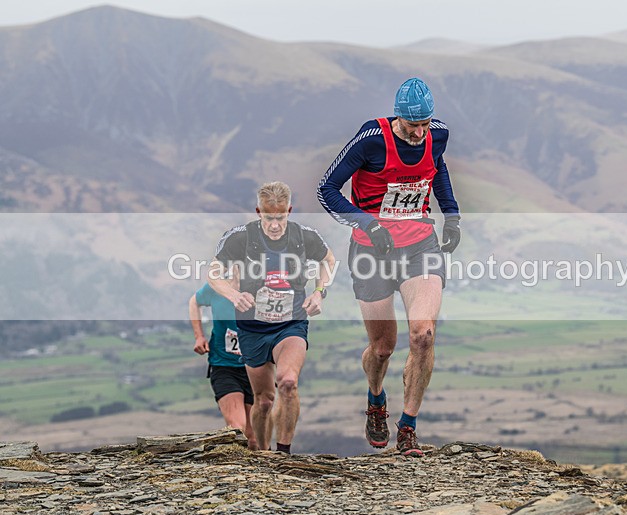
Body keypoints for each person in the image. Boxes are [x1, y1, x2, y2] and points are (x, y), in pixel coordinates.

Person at [317, 77, 461, 456]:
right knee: (383, 348)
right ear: (398, 117)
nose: (419, 132)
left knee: (423, 335)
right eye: (412, 125)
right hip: (371, 252)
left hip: (420, 246)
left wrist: (453, 215)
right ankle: (376, 399)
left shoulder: (437, 135)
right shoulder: (371, 140)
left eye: (425, 124)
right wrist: (368, 224)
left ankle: (408, 427)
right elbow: (326, 190)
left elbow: (437, 166)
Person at [209, 181, 335, 453]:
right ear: (258, 212)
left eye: (280, 217)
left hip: (291, 323)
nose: (275, 224)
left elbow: (329, 261)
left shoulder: (304, 236)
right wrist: (233, 295)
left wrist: (319, 292)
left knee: (288, 383)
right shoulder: (239, 237)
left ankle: (283, 454)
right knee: (263, 401)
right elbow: (213, 274)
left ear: (289, 211)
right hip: (252, 328)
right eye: (269, 218)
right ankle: (262, 453)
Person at [189, 283, 257, 449]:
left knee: (254, 438)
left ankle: (259, 474)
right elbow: (194, 301)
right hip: (224, 366)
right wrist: (199, 336)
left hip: (256, 368)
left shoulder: (262, 284)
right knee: (237, 429)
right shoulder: (218, 286)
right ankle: (239, 473)